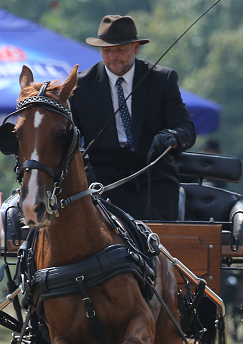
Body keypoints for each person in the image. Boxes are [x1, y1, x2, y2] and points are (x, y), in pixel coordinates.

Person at [70, 14, 196, 221]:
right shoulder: (81, 85)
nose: (113, 57)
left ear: (136, 48)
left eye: (120, 50)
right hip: (101, 178)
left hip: (152, 176)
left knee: (157, 231)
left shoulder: (161, 79)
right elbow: (70, 136)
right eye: (107, 51)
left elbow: (185, 128)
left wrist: (172, 138)